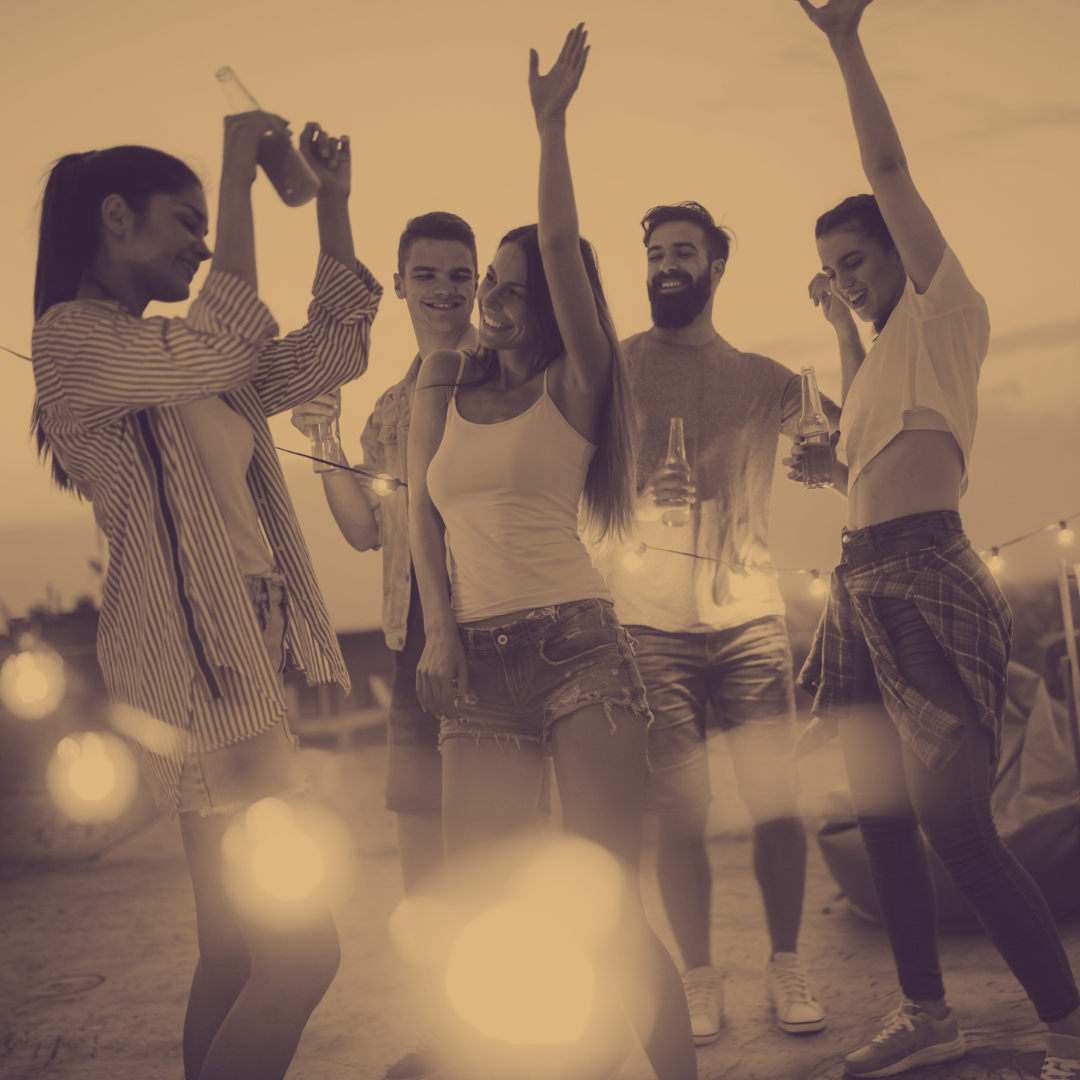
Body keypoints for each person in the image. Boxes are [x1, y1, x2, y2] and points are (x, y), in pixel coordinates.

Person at [30, 114, 381, 1080]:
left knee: (234, 946)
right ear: (114, 219)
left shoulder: (178, 353)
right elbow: (229, 339)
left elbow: (326, 356)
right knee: (305, 952)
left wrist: (334, 207)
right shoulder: (73, 344)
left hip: (244, 648)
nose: (205, 242)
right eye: (186, 222)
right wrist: (237, 166)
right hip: (194, 669)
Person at [788, 3, 1080, 1078]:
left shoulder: (946, 308)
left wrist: (844, 43)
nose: (844, 275)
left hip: (926, 580)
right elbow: (863, 448)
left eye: (853, 258)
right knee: (881, 820)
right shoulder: (878, 350)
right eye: (829, 264)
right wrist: (832, 345)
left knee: (957, 827)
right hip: (862, 587)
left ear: (896, 249)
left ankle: (1067, 1028)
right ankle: (927, 1013)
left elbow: (890, 163)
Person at [407, 25, 697, 1080]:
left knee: (608, 913)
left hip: (581, 658)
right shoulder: (447, 380)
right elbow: (419, 516)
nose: (492, 292)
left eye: (513, 280)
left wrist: (550, 123)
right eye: (489, 276)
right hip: (475, 668)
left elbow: (565, 238)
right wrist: (439, 631)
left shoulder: (577, 383)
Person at [291, 211, 550, 1080]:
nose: (445, 290)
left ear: (480, 283)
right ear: (399, 285)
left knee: (503, 854)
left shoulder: (502, 374)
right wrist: (325, 442)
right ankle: (452, 1035)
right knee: (423, 864)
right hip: (410, 647)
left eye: (459, 274)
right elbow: (367, 531)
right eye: (427, 275)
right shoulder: (391, 405)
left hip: (492, 637)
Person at [593, 197, 838, 1043]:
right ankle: (698, 978)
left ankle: (786, 964)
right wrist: (632, 502)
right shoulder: (615, 369)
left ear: (715, 267)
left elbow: (845, 450)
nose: (666, 264)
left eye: (683, 251)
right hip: (648, 624)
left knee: (777, 804)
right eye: (656, 251)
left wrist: (821, 450)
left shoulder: (765, 378)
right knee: (681, 814)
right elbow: (576, 483)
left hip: (750, 621)